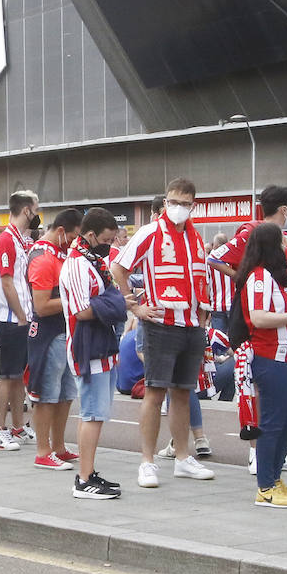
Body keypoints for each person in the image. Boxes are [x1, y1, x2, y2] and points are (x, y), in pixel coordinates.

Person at [112, 177, 216, 488]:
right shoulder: (150, 232)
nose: (179, 208)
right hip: (160, 323)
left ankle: (183, 457)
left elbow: (201, 278)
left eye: (185, 203)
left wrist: (203, 315)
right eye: (174, 201)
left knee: (183, 393)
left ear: (193, 205)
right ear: (165, 202)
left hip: (191, 326)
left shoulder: (197, 238)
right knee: (155, 393)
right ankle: (147, 462)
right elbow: (119, 267)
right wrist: (134, 306)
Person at [236, 222, 287, 508]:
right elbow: (258, 318)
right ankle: (265, 485)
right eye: (283, 242)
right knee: (272, 422)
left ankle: (273, 475)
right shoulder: (259, 278)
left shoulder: (277, 277)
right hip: (271, 357)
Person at [60, 208, 127, 499]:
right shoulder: (77, 264)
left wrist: (114, 302)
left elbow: (102, 299)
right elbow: (82, 310)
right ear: (90, 235)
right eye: (107, 239)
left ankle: (88, 472)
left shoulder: (92, 260)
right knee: (91, 412)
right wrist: (116, 304)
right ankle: (84, 479)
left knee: (97, 413)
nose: (109, 244)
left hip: (101, 342)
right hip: (87, 346)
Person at [26, 209, 82, 470]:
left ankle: (58, 446)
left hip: (65, 331)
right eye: (73, 236)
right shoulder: (43, 257)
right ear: (61, 231)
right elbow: (41, 306)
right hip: (49, 334)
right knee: (47, 394)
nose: (75, 241)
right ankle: (43, 450)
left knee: (65, 394)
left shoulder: (59, 254)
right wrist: (76, 299)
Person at [0, 191, 40, 450]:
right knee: (7, 376)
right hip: (11, 320)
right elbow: (6, 281)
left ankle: (18, 427)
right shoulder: (7, 240)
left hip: (22, 318)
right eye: (35, 209)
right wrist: (20, 315)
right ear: (26, 211)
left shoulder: (20, 241)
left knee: (19, 376)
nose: (37, 215)